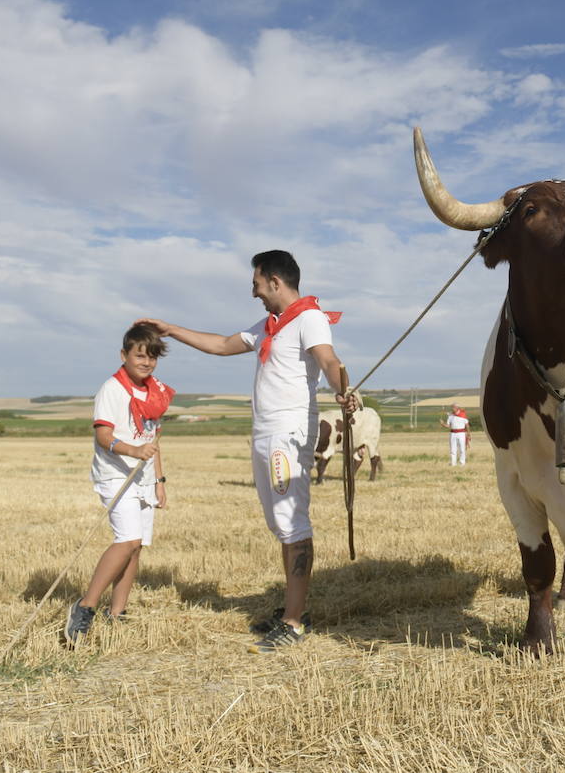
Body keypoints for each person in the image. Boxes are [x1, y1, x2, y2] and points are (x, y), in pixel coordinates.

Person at [137, 250, 354, 653]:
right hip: (265, 434)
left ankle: (294, 622)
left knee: (293, 522)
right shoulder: (270, 325)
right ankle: (293, 609)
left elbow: (329, 359)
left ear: (275, 281)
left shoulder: (309, 319)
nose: (253, 292)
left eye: (256, 284)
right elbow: (221, 344)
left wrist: (343, 389)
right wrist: (169, 329)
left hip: (287, 435)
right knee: (281, 524)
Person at [64, 324, 175, 646]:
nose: (147, 363)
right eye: (140, 356)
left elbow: (154, 440)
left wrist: (159, 480)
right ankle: (84, 607)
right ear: (124, 355)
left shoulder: (154, 392)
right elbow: (103, 437)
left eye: (152, 357)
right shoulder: (112, 390)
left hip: (142, 477)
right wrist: (132, 451)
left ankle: (117, 614)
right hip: (115, 474)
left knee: (136, 547)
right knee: (126, 539)